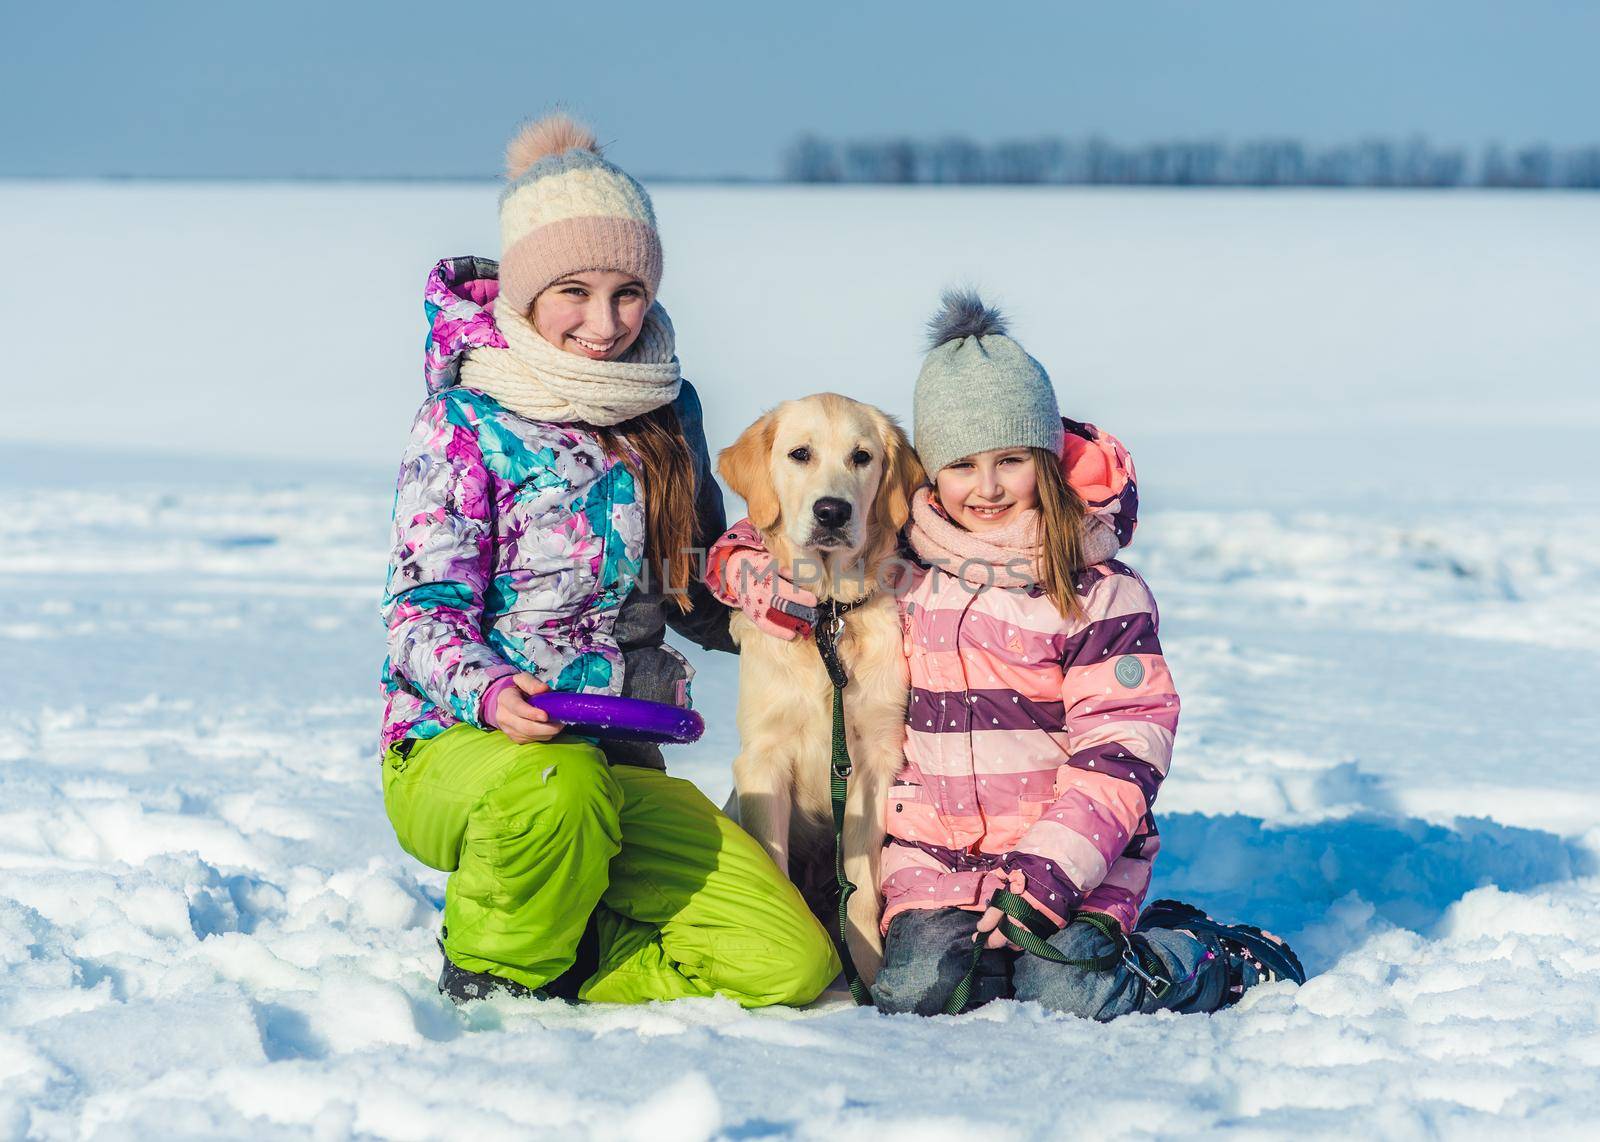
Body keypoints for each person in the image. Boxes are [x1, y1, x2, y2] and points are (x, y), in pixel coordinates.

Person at [709, 291, 1302, 1018]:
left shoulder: (1095, 592)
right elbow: (775, 540)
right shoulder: (914, 569)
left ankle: (1198, 957)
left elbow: (1125, 745)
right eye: (961, 465)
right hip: (941, 870)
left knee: (1068, 994)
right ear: (934, 479)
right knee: (915, 992)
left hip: (1069, 868)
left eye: (1012, 459)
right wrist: (741, 564)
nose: (985, 488)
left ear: (1047, 460)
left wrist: (1053, 871)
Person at [379, 114, 838, 1006]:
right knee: (559, 787)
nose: (605, 323)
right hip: (464, 744)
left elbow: (694, 584)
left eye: (629, 292)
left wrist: (760, 593)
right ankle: (491, 978)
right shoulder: (465, 420)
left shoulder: (666, 407)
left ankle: (578, 959)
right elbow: (419, 614)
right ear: (523, 291)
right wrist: (489, 691)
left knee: (791, 965)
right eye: (575, 292)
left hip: (619, 747)